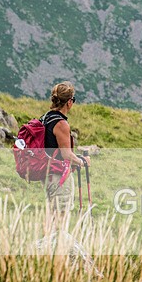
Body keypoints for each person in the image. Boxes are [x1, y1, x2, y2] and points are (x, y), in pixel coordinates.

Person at [43, 81, 88, 213]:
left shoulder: (46, 118)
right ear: (69, 102)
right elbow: (66, 155)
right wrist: (82, 162)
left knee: (52, 216)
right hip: (59, 177)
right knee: (61, 219)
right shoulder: (61, 123)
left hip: (48, 175)